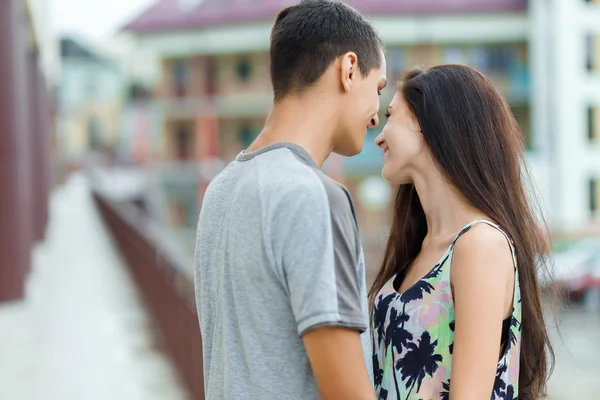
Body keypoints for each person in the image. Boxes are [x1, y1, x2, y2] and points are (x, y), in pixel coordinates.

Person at [194, 1, 387, 399]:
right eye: (379, 88)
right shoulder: (313, 195)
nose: (376, 117)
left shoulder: (221, 189)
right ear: (348, 69)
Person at [370, 65, 554, 400]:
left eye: (390, 115)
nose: (379, 136)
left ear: (428, 124)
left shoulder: (480, 244)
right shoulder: (421, 245)